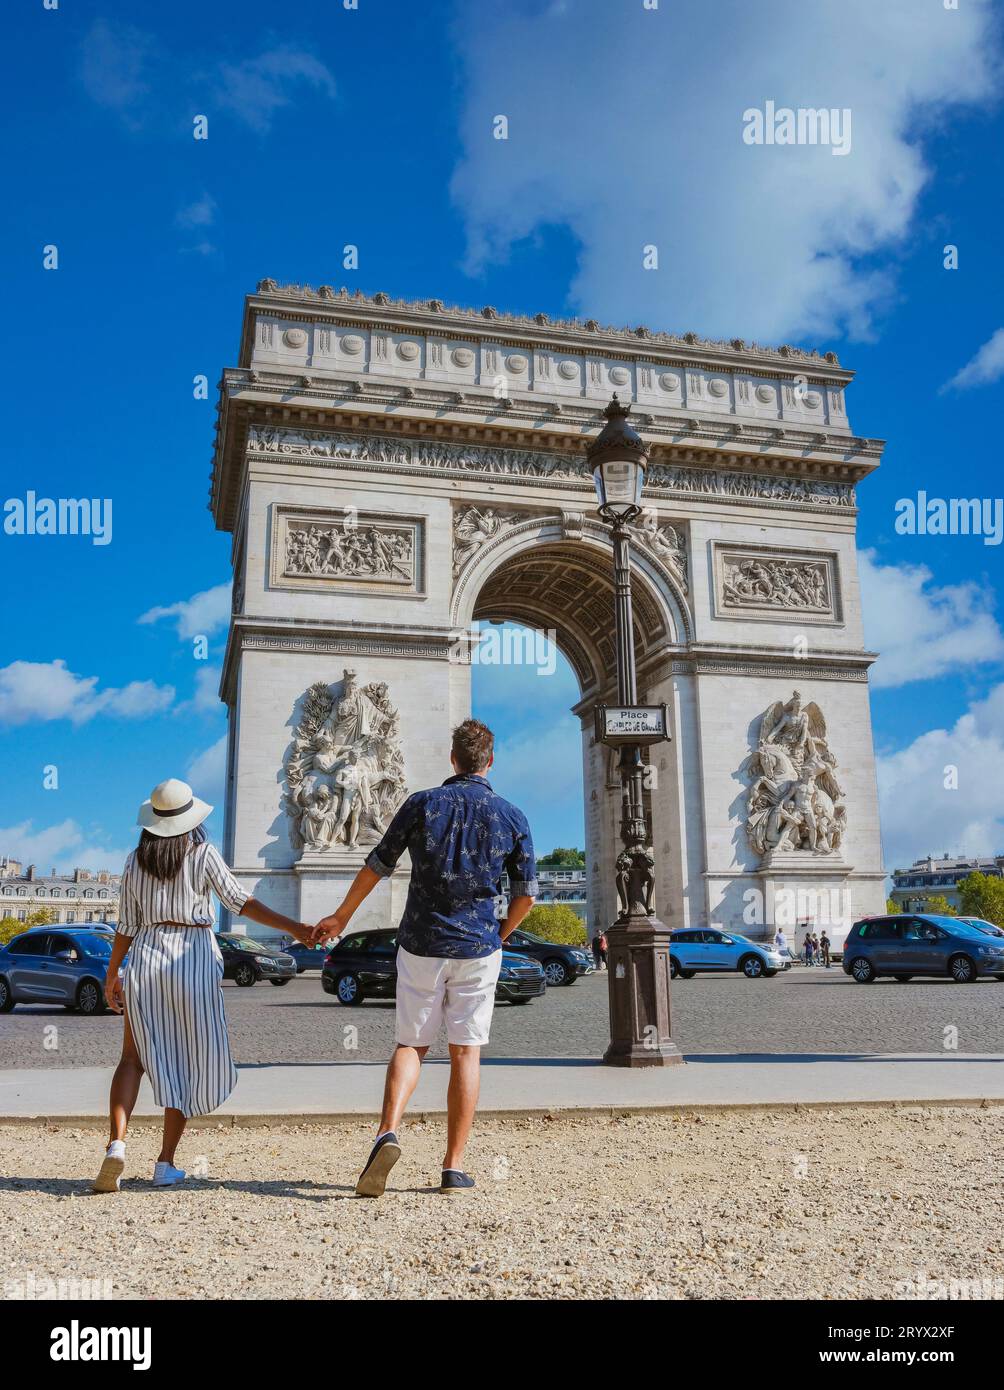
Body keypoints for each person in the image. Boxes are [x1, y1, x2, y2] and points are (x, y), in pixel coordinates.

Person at [313, 719, 537, 1197]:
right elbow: (526, 896)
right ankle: (453, 1166)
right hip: (478, 947)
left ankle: (387, 1132)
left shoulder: (422, 803)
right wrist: (499, 934)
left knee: (411, 1045)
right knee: (466, 1052)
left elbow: (378, 863)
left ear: (452, 758)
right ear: (489, 762)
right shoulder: (513, 816)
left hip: (420, 943)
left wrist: (341, 915)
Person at [93, 779, 313, 1194]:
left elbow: (125, 925)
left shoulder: (133, 862)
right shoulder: (203, 854)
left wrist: (111, 974)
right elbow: (240, 902)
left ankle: (116, 1145)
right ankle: (165, 1163)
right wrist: (295, 927)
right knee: (188, 1062)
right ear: (191, 818)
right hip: (191, 957)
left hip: (146, 956)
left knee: (131, 1059)